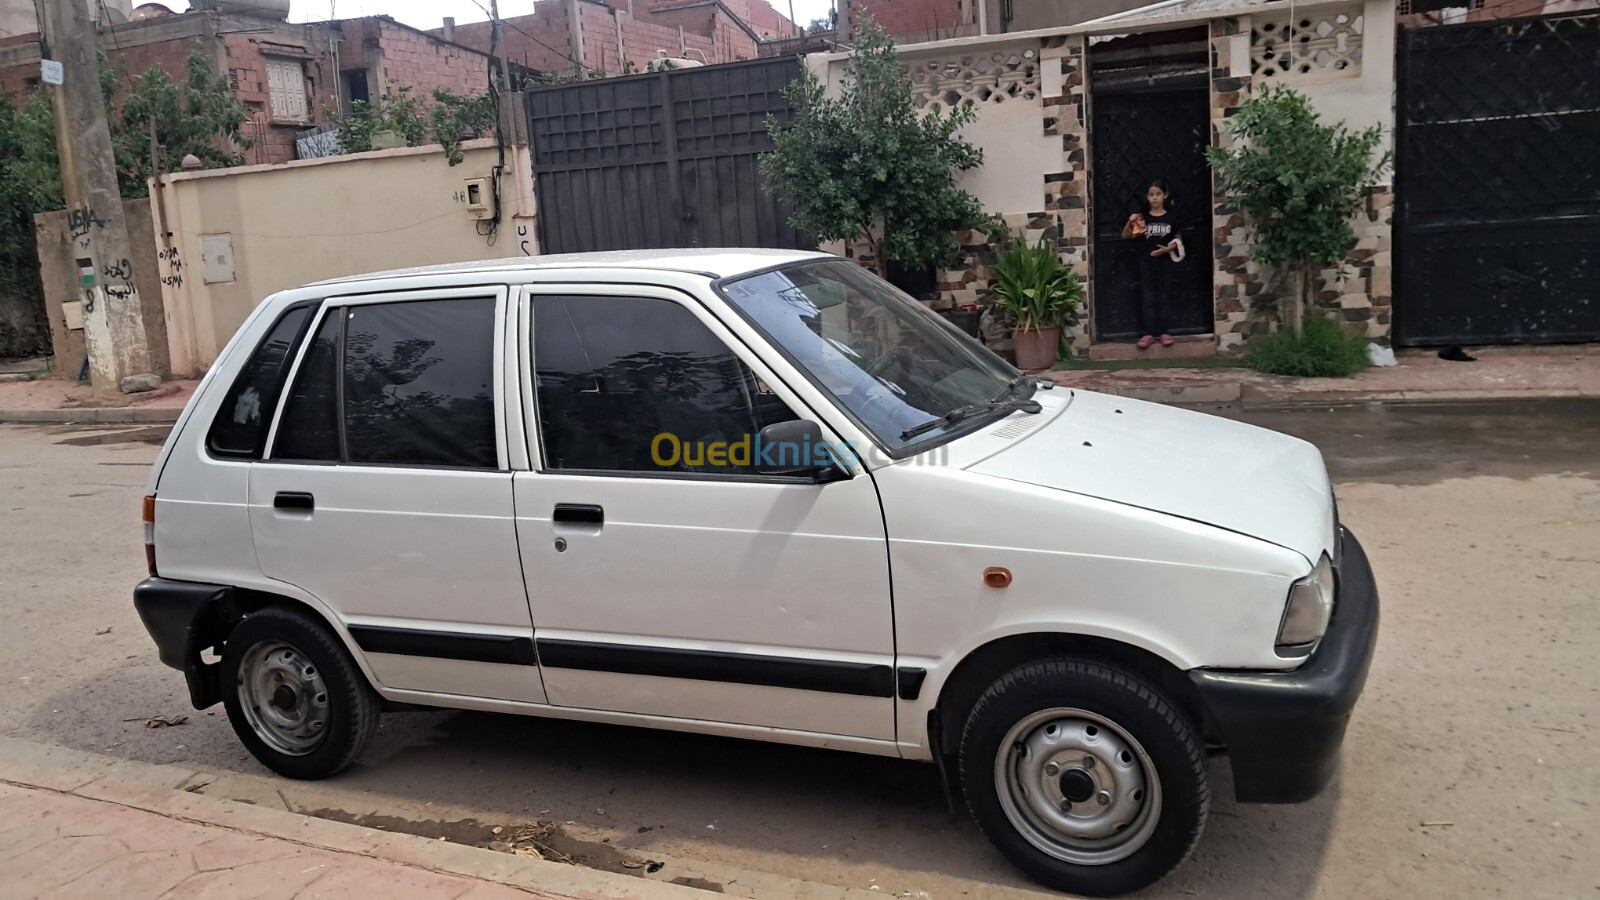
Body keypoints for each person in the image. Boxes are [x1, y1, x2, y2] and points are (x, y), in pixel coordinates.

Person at [1120, 179, 1185, 350]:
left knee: (1164, 297)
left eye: (1158, 194)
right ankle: (1148, 333)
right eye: (1151, 195)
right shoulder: (1143, 218)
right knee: (1148, 298)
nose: (1155, 198)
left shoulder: (1171, 217)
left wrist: (1166, 249)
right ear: (1147, 197)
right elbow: (1126, 236)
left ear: (1165, 195)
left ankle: (1164, 332)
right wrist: (1130, 221)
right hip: (1146, 264)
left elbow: (1178, 240)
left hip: (1165, 263)